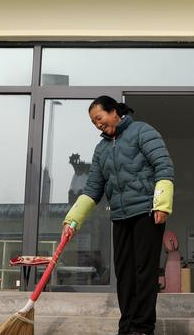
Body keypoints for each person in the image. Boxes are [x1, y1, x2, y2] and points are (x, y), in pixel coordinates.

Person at [62, 95, 174, 335]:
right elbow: (92, 189)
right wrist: (72, 220)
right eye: (93, 123)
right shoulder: (101, 149)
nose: (98, 125)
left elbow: (163, 166)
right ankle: (127, 327)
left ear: (114, 111)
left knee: (144, 271)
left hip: (147, 212)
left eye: (99, 118)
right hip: (121, 217)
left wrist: (162, 204)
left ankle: (143, 328)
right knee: (124, 274)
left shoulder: (142, 131)